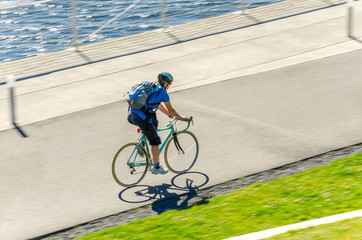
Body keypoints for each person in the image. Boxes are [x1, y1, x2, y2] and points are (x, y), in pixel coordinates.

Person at [127, 72, 191, 174]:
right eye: (170, 84)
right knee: (155, 141)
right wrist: (181, 117)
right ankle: (156, 167)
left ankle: (142, 147)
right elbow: (171, 110)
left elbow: (158, 105)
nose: (170, 86)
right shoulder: (163, 93)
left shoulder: (153, 87)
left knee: (154, 123)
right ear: (166, 83)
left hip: (131, 114)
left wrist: (168, 115)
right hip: (141, 118)